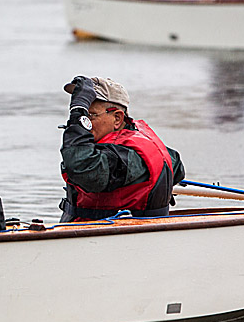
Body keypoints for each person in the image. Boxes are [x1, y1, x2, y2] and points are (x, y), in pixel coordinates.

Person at [59, 76, 184, 223]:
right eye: (82, 116)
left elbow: (82, 168)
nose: (83, 124)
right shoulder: (157, 150)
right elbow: (177, 168)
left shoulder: (123, 157)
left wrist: (77, 116)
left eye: (89, 115)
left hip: (107, 233)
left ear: (117, 118)